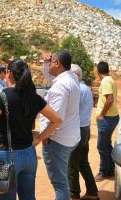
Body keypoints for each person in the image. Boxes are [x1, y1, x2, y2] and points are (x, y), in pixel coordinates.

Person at [0, 59, 62, 200]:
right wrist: (37, 139)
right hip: (29, 154)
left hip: (6, 155)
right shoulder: (34, 97)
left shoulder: (1, 97)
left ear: (9, 74)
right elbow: (57, 120)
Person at [41, 50, 81, 200]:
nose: (49, 64)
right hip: (69, 137)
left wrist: (42, 136)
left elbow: (55, 119)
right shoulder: (71, 79)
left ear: (57, 63)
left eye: (51, 62)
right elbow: (50, 76)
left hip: (57, 140)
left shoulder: (61, 86)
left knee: (60, 184)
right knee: (62, 179)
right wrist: (46, 63)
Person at [68, 64, 99, 200]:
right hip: (85, 128)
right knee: (82, 162)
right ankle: (92, 191)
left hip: (77, 130)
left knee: (72, 164)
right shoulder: (86, 88)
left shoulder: (77, 90)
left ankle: (74, 194)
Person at [95, 61, 119, 182]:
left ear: (98, 71)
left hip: (107, 118)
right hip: (112, 117)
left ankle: (103, 171)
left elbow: (109, 99)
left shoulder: (105, 81)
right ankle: (110, 170)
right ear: (108, 70)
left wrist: (102, 115)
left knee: (102, 146)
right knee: (107, 145)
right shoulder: (111, 80)